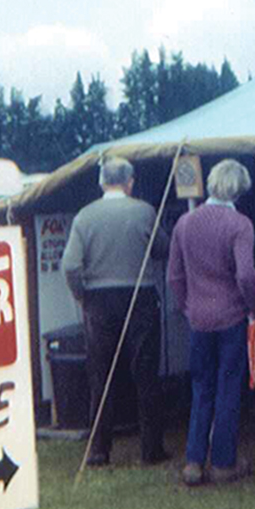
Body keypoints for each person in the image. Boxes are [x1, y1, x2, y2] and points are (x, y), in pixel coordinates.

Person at [62, 156, 169, 467]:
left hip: (98, 301)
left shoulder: (84, 216)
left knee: (100, 377)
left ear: (100, 182)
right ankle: (151, 449)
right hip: (139, 296)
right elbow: (162, 249)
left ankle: (99, 450)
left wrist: (81, 294)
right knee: (146, 374)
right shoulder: (145, 211)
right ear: (131, 181)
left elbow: (70, 265)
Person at [168, 159, 255, 486]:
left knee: (201, 388)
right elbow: (246, 274)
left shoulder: (184, 223)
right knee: (228, 387)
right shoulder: (240, 225)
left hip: (198, 320)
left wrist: (187, 307)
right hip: (232, 319)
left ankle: (194, 461)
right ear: (239, 189)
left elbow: (174, 276)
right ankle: (223, 462)